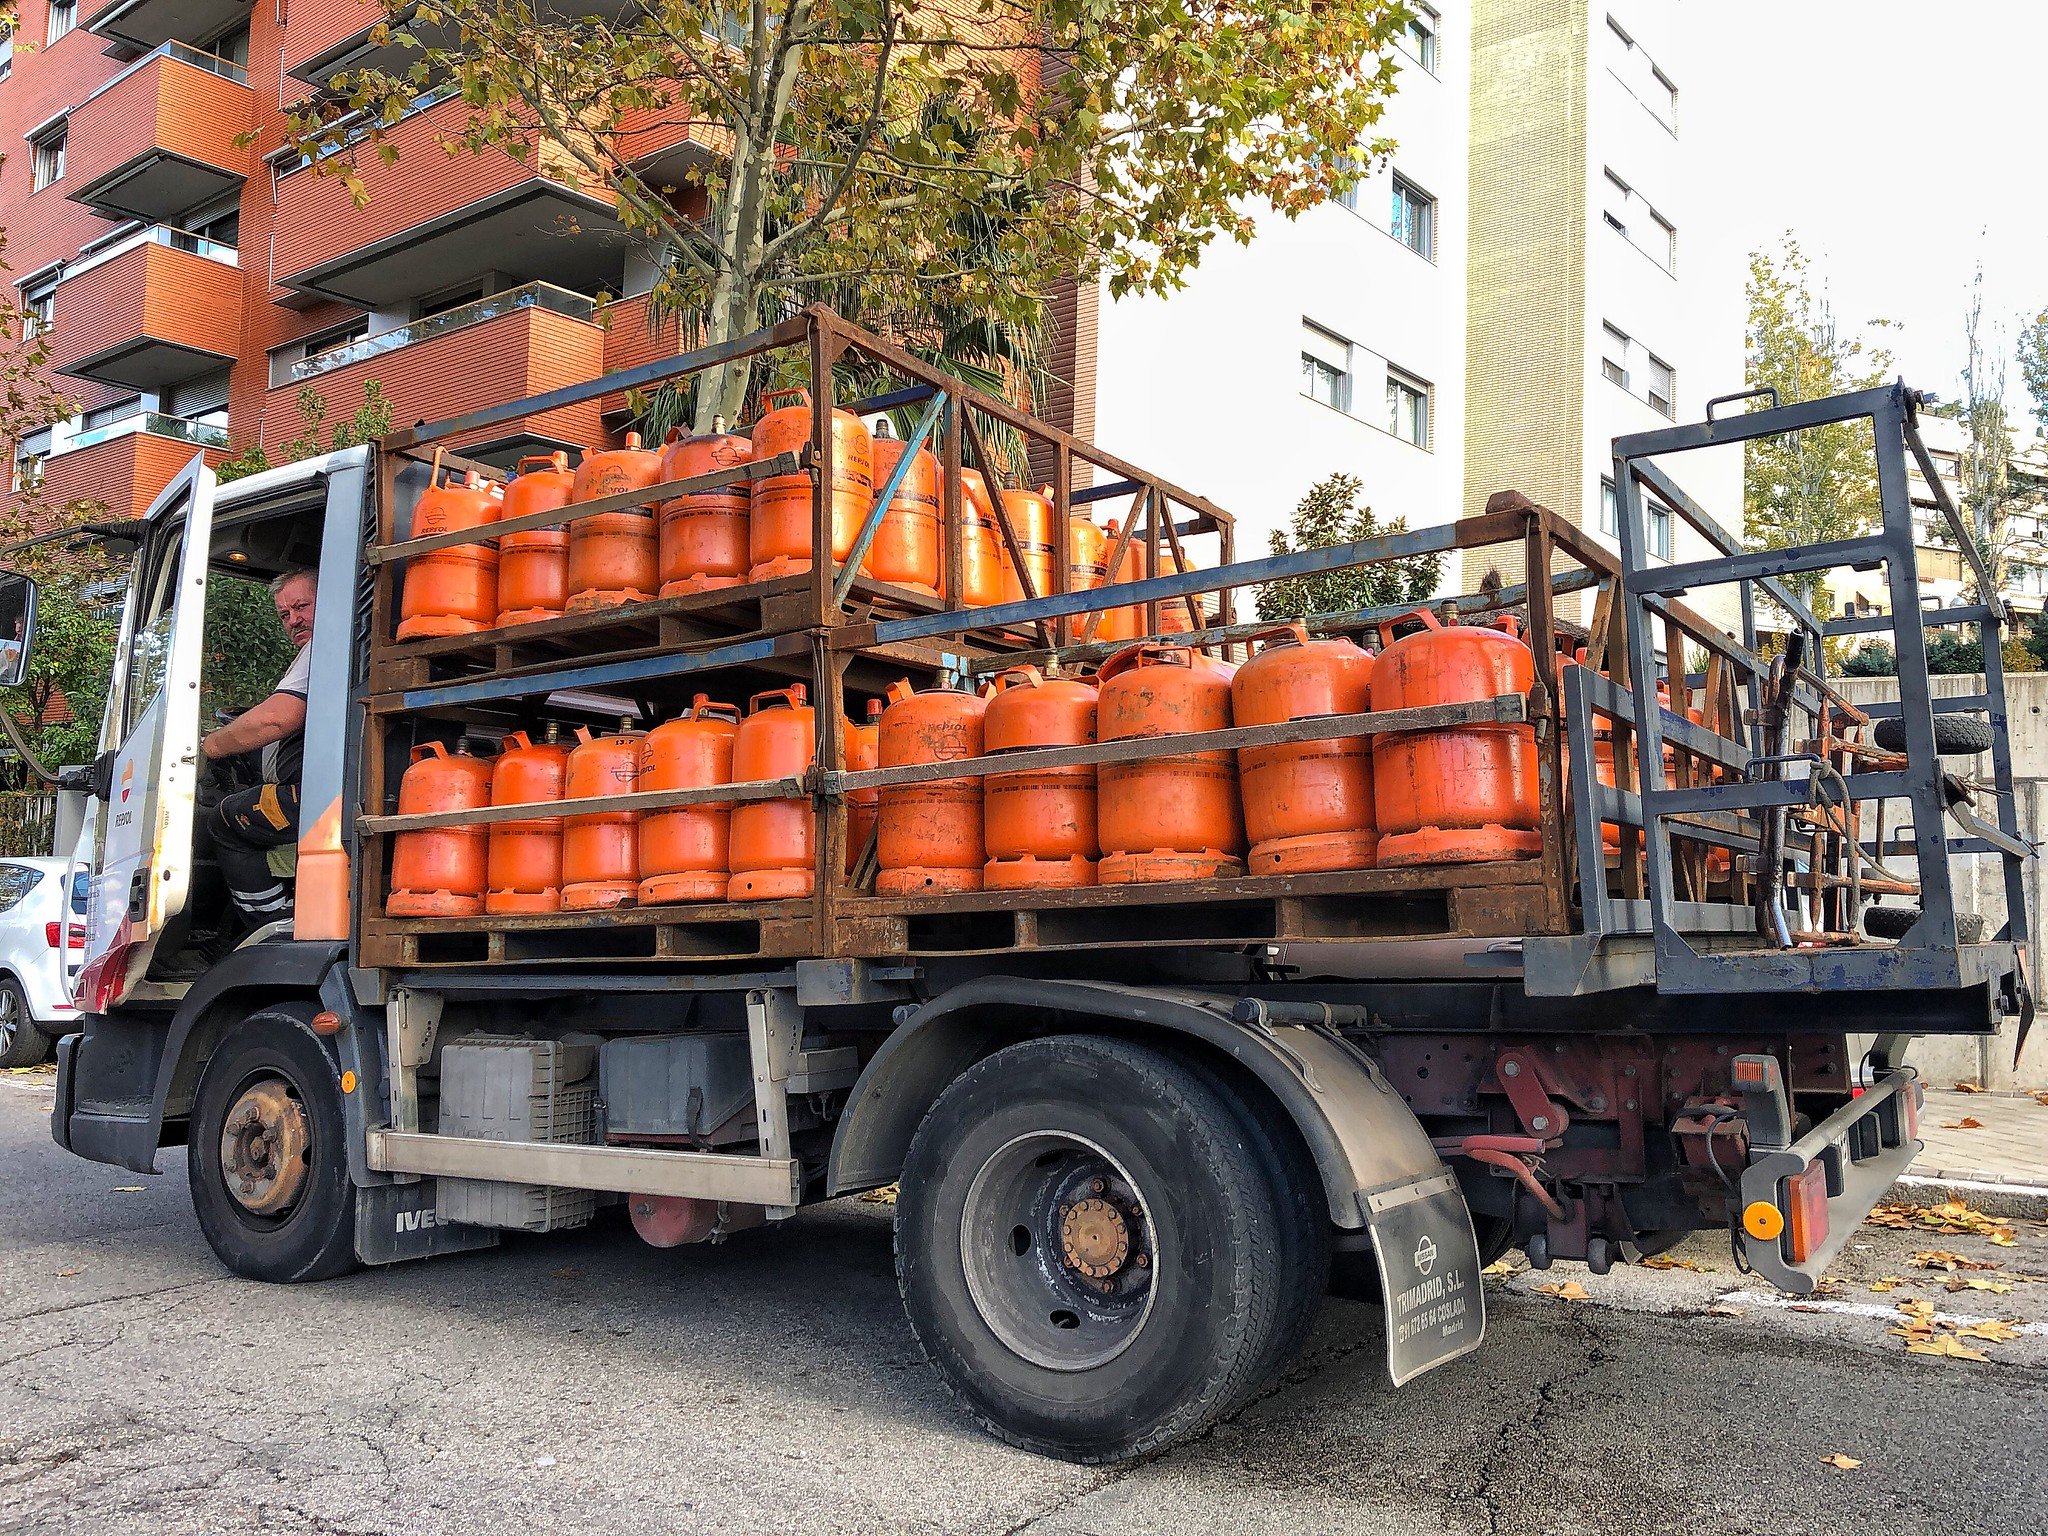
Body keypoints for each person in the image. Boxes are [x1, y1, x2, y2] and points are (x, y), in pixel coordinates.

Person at [201, 569, 316, 936]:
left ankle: (270, 927)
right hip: (324, 792)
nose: (294, 620)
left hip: (312, 798)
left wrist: (209, 746)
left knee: (225, 821)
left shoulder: (324, 644)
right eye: (285, 614)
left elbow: (275, 721)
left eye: (302, 606)